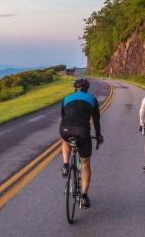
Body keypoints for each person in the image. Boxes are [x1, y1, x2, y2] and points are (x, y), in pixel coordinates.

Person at [59, 78, 103, 209]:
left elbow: (63, 116)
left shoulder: (66, 98)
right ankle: (83, 197)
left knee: (65, 140)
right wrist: (98, 135)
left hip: (65, 128)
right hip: (82, 131)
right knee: (85, 162)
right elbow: (96, 121)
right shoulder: (92, 99)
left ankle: (66, 165)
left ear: (75, 88)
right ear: (87, 89)